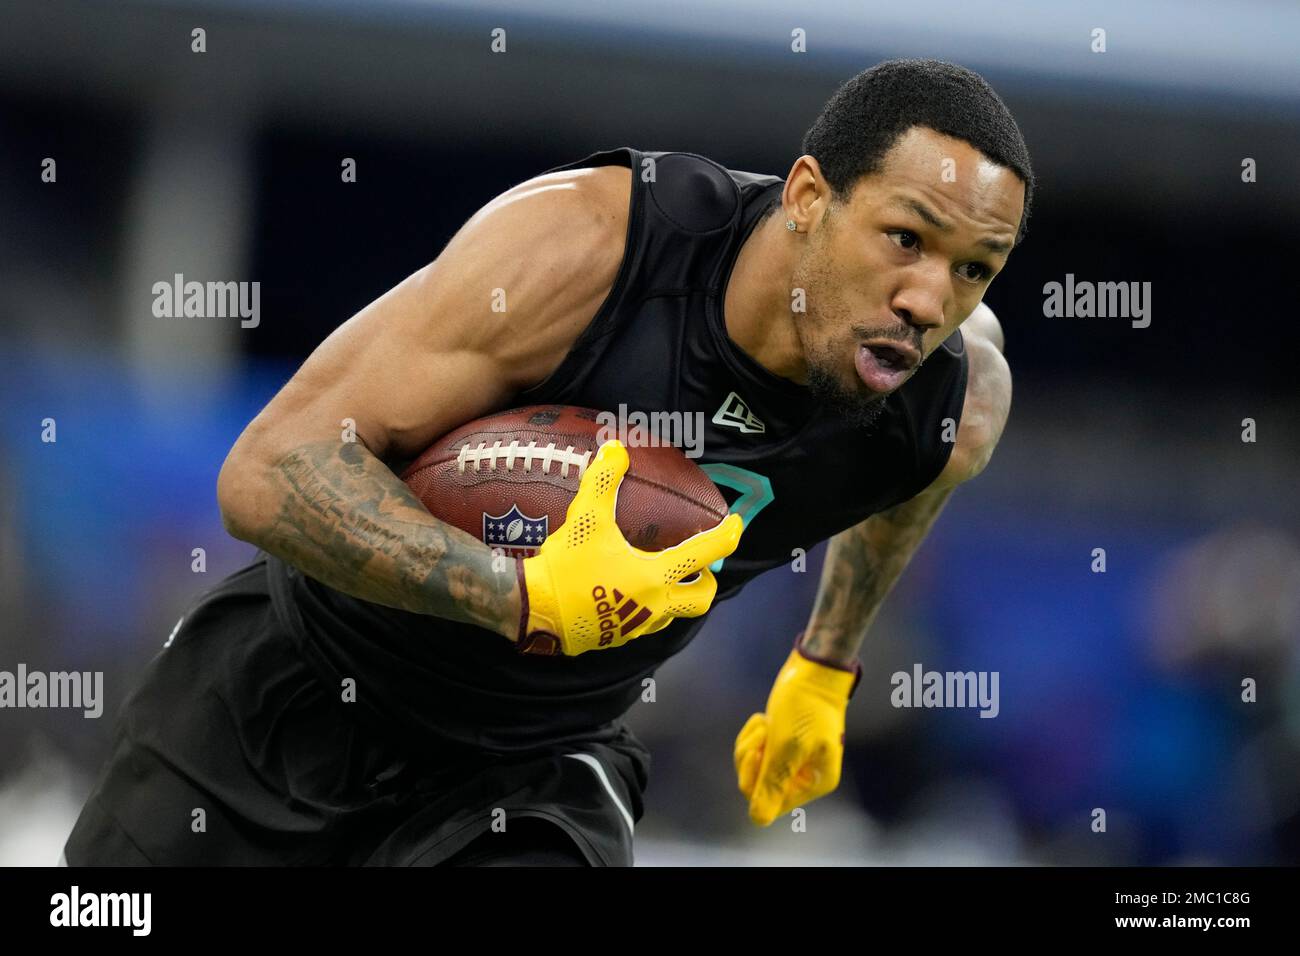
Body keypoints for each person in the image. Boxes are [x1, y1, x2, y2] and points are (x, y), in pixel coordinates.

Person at [64, 58, 1030, 866]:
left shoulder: (944, 403)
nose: (926, 297)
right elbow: (270, 468)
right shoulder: (591, 248)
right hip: (287, 693)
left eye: (973, 269)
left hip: (535, 770)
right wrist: (516, 593)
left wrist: (824, 665)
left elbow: (914, 484)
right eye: (906, 238)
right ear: (810, 196)